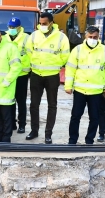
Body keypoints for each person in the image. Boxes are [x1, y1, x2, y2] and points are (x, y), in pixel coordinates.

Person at [24, 12, 70, 144]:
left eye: (44, 23)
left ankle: (48, 134)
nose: (42, 26)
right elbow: (28, 52)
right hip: (36, 74)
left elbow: (65, 56)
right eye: (40, 23)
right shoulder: (34, 36)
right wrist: (35, 63)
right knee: (34, 105)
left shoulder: (61, 37)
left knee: (52, 105)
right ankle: (34, 130)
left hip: (52, 76)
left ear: (51, 23)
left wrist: (55, 64)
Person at [64, 26, 105, 145]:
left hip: (96, 91)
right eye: (90, 37)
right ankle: (72, 141)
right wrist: (68, 85)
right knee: (75, 117)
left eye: (95, 37)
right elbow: (70, 68)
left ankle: (89, 141)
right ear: (85, 37)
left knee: (94, 118)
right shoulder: (77, 50)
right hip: (80, 90)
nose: (92, 39)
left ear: (99, 37)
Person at [4, 17, 31, 133]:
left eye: (14, 27)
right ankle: (12, 123)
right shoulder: (4, 38)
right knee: (10, 101)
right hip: (9, 74)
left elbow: (30, 54)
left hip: (22, 74)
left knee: (21, 101)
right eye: (10, 27)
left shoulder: (26, 38)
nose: (11, 29)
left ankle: (22, 125)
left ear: (19, 28)